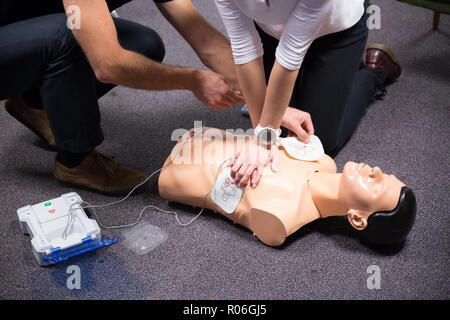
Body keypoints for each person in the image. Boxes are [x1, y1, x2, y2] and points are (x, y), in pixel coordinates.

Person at [0, 0, 248, 196]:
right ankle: (76, 163)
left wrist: (266, 103)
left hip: (29, 19)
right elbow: (108, 65)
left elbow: (206, 41)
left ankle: (34, 102)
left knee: (143, 45)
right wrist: (193, 81)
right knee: (69, 40)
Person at [214, 0, 402, 188]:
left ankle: (373, 72)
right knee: (285, 134)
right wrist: (261, 135)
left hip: (337, 33)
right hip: (271, 31)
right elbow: (244, 48)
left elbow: (290, 54)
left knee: (317, 145)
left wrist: (264, 139)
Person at [158, 127, 416, 246]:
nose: (377, 171)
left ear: (358, 220)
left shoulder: (282, 217)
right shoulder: (322, 160)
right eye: (386, 174)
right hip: (202, 133)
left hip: (175, 172)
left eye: (378, 186)